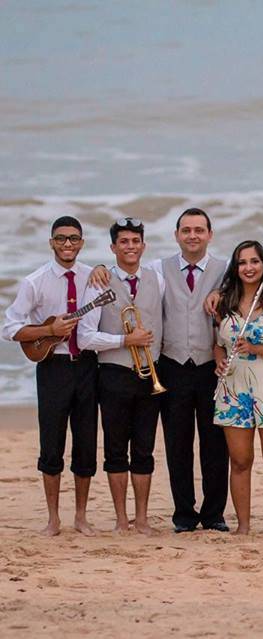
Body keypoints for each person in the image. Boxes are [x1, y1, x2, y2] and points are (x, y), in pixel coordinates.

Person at [90, 207, 229, 533]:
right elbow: (127, 269)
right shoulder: (159, 269)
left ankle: (214, 515)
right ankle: (183, 516)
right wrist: (98, 267)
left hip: (212, 367)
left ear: (210, 234)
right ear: (176, 235)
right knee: (177, 445)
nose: (192, 235)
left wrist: (221, 291)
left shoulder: (225, 271)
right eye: (186, 230)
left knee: (214, 443)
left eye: (199, 230)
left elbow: (252, 287)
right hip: (172, 366)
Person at [2, 216, 97, 536]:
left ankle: (81, 517)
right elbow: (10, 327)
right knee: (52, 443)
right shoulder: (35, 281)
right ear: (51, 242)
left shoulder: (92, 277)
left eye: (73, 238)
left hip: (87, 366)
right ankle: (53, 518)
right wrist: (48, 330)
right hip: (52, 367)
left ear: (82, 243)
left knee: (85, 442)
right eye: (61, 238)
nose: (67, 244)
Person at [77, 217, 164, 535]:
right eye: (123, 242)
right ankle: (120, 520)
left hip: (149, 374)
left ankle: (141, 520)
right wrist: (124, 341)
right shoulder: (98, 282)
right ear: (113, 247)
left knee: (144, 449)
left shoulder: (157, 278)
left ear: (144, 245)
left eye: (135, 241)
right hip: (113, 374)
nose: (130, 246)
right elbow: (85, 337)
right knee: (115, 449)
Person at [212, 240, 263, 535]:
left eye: (254, 261)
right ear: (235, 267)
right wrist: (219, 360)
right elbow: (217, 345)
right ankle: (243, 527)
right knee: (240, 460)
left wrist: (258, 347)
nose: (249, 268)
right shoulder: (223, 302)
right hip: (233, 385)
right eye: (242, 262)